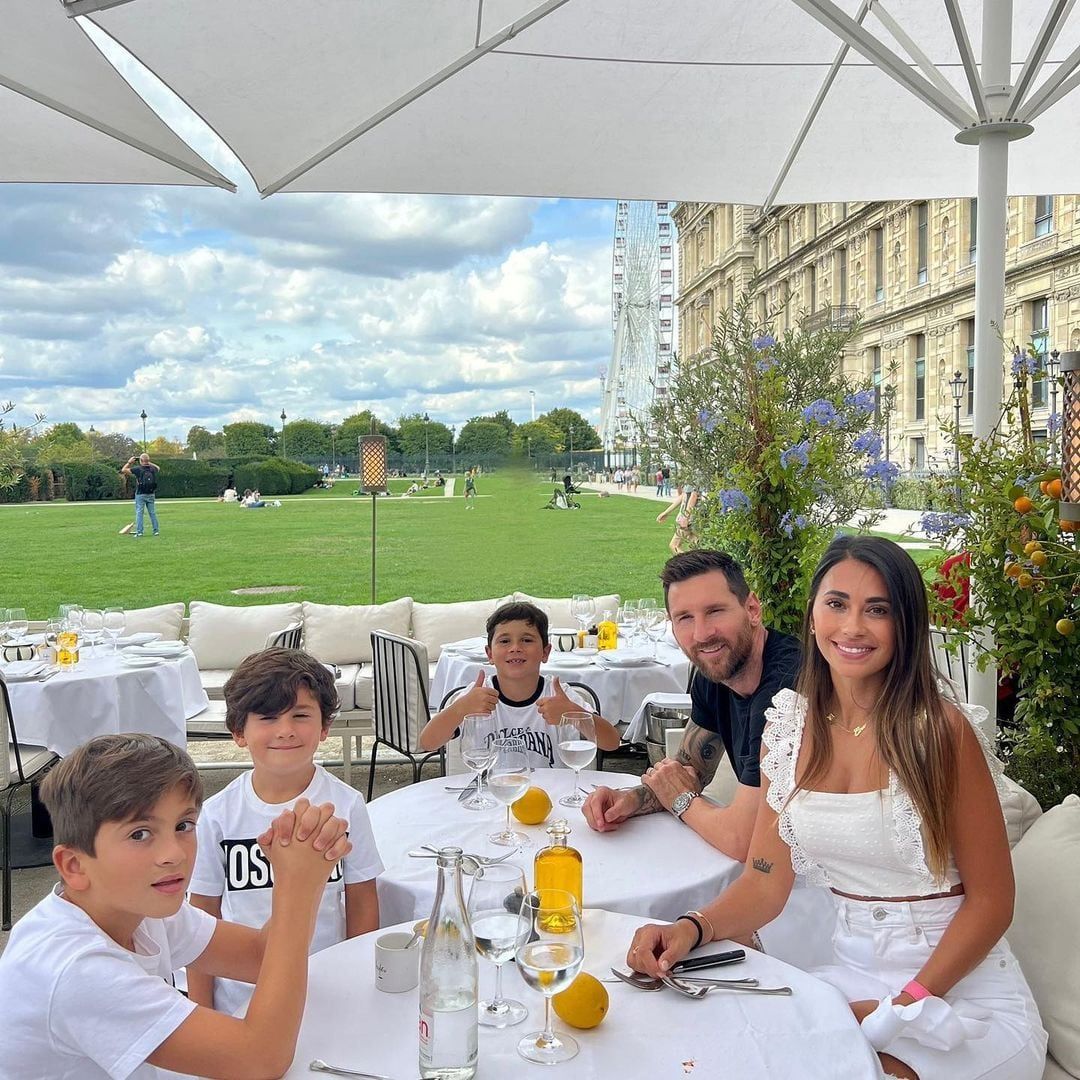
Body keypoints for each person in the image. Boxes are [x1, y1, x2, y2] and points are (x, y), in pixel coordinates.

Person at [625, 536, 1047, 1080]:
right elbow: (764, 881)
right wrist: (691, 927)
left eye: (878, 610)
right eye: (837, 604)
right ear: (813, 614)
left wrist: (902, 1007)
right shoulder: (788, 728)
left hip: (958, 992)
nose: (852, 627)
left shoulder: (939, 732)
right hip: (849, 975)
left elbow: (992, 902)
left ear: (906, 624)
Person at [0, 733, 353, 1079]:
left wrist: (312, 863)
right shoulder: (78, 968)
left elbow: (259, 957)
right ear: (74, 866)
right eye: (140, 834)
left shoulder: (136, 908)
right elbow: (259, 1060)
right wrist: (296, 887)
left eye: (183, 825)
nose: (174, 854)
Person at [187, 648, 382, 1016]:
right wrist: (201, 1009)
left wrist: (359, 983)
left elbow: (362, 901)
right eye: (268, 717)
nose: (286, 730)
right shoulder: (216, 815)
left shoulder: (347, 805)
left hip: (327, 992)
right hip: (241, 998)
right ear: (239, 732)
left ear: (324, 727)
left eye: (300, 715)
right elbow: (202, 919)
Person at [584, 550, 800, 861]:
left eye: (715, 611)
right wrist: (630, 800)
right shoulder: (714, 675)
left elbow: (742, 839)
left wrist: (682, 800)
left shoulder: (785, 687)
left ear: (752, 609)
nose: (701, 634)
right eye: (685, 618)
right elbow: (691, 769)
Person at [419, 601, 620, 768]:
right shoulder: (476, 697)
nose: (515, 648)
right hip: (494, 793)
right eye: (504, 641)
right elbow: (428, 742)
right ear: (489, 654)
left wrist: (573, 713)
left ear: (545, 652)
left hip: (549, 795)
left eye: (526, 640)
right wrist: (460, 709)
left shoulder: (559, 696)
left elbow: (611, 742)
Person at [121, 453, 160, 538]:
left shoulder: (138, 469)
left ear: (141, 461)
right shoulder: (152, 469)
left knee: (139, 513)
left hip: (140, 494)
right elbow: (158, 468)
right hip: (151, 494)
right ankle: (156, 531)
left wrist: (129, 462)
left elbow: (123, 470)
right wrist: (148, 462)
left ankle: (139, 532)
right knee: (152, 513)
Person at [656, 483, 699, 554]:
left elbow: (693, 496)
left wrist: (686, 517)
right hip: (691, 517)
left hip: (689, 518)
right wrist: (666, 512)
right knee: (695, 544)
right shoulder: (688, 481)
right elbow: (683, 496)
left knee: (674, 545)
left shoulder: (694, 480)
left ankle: (689, 560)